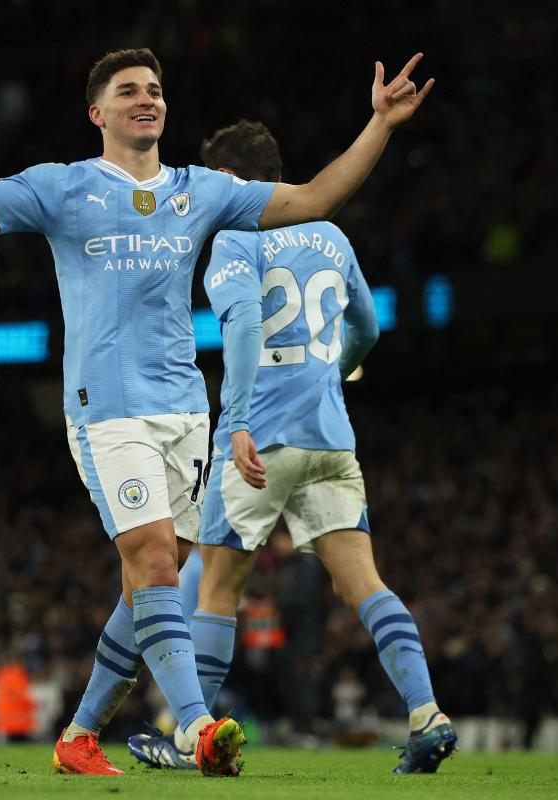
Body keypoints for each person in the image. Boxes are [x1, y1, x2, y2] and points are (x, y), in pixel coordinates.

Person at [0, 47, 433, 777]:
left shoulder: (201, 191)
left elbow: (316, 198)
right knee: (157, 560)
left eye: (156, 89)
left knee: (150, 579)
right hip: (107, 412)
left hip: (182, 413)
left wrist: (381, 123)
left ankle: (78, 736)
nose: (147, 99)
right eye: (129, 90)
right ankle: (198, 725)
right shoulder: (62, 189)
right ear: (96, 113)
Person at [126, 120, 456, 774]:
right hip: (331, 438)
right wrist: (334, 374)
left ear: (229, 181)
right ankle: (427, 714)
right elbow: (366, 328)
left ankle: (193, 735)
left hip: (260, 436)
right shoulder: (332, 239)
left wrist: (240, 419)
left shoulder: (232, 240)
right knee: (363, 582)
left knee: (219, 588)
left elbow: (246, 322)